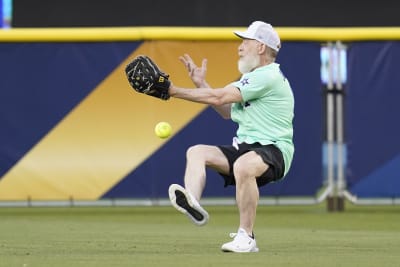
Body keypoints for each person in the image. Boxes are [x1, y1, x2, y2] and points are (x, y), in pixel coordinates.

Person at [167, 21, 294, 253]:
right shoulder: (254, 77)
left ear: (261, 48)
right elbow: (226, 111)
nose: (240, 47)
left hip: (275, 150)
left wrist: (171, 90)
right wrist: (201, 84)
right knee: (196, 152)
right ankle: (192, 202)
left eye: (246, 41)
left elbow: (218, 98)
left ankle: (247, 236)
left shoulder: (267, 76)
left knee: (244, 166)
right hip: (247, 148)